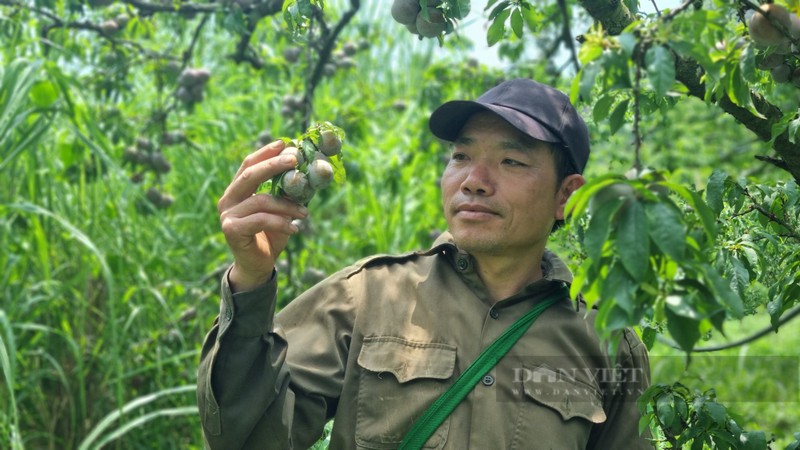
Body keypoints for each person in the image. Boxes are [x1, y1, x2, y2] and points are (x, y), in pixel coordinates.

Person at [197, 78, 652, 450]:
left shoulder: (606, 341)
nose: (474, 181)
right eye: (461, 157)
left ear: (566, 195)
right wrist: (251, 280)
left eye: (511, 160)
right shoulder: (369, 295)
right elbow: (248, 437)